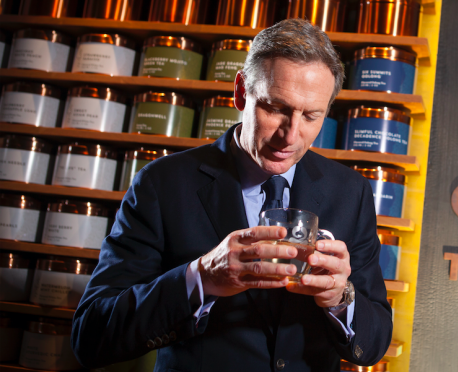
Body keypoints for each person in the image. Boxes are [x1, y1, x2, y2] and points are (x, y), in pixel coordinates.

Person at [71, 19, 393, 372]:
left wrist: (339, 299)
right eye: (275, 108)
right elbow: (91, 336)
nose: (290, 136)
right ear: (241, 92)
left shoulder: (351, 191)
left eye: (311, 116)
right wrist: (201, 278)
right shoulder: (162, 183)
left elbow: (374, 344)